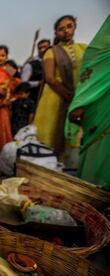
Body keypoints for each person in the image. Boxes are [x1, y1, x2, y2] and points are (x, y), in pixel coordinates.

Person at [33, 15, 87, 157]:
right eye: (61, 29)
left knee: (73, 138)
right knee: (51, 135)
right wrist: (70, 96)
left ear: (75, 27)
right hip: (55, 99)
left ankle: (68, 170)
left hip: (79, 97)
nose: (66, 31)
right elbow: (50, 78)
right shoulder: (51, 51)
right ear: (56, 33)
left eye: (69, 26)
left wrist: (79, 98)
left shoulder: (83, 49)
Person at [67, 15, 110, 189]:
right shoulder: (101, 47)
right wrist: (80, 103)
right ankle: (94, 188)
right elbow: (92, 67)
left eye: (70, 26)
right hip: (100, 103)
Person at [21, 39, 51, 105]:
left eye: (45, 47)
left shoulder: (55, 62)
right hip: (35, 100)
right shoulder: (30, 65)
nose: (42, 50)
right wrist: (38, 83)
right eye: (40, 48)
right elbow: (24, 83)